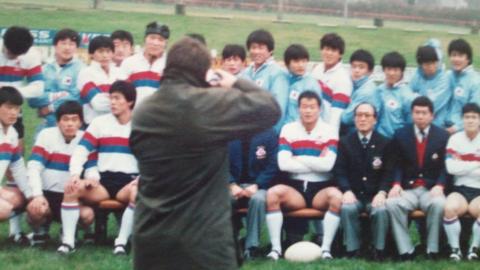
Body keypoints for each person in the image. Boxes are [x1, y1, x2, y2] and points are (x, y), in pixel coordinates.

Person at [130, 37, 280, 270]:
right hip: (204, 242)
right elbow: (269, 108)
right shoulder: (208, 105)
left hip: (152, 237)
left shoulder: (143, 110)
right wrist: (230, 79)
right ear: (203, 71)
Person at [58, 80, 138, 255]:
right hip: (102, 182)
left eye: (117, 98)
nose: (112, 102)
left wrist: (141, 178)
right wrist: (75, 175)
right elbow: (81, 151)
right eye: (111, 98)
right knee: (71, 189)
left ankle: (121, 242)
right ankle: (68, 243)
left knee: (137, 193)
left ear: (130, 101)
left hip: (128, 182)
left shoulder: (141, 124)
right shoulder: (99, 123)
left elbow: (151, 158)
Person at [265, 91, 342, 260]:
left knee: (336, 197)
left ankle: (325, 250)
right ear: (298, 109)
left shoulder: (330, 131)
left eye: (312, 107)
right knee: (272, 194)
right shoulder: (288, 129)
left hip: (320, 188)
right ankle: (276, 249)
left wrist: (298, 157)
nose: (308, 111)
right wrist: (315, 160)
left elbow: (328, 165)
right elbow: (283, 164)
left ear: (319, 109)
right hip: (295, 188)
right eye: (304, 107)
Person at [386, 96, 448, 260]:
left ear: (432, 115)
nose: (420, 116)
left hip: (431, 189)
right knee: (392, 203)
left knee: (439, 203)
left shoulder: (442, 136)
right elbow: (396, 164)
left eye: (424, 113)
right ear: (412, 114)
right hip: (409, 189)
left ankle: (432, 250)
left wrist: (440, 185)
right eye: (416, 112)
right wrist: (397, 184)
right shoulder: (401, 134)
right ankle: (406, 250)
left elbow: (445, 166)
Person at [26, 101, 95, 246]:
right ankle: (40, 230)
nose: (70, 124)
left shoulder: (87, 139)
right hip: (48, 194)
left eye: (74, 119)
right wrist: (38, 195)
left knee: (88, 215)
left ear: (81, 122)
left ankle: (69, 229)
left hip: (72, 196)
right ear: (57, 122)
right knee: (35, 209)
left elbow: (91, 168)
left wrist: (90, 178)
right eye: (65, 119)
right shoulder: (46, 135)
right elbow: (33, 166)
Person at [336, 103, 391, 259]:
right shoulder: (345, 142)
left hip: (375, 194)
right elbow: (339, 171)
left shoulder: (385, 143)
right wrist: (346, 190)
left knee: (380, 210)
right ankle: (353, 249)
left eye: (367, 115)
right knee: (347, 208)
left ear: (375, 120)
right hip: (354, 194)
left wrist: (382, 192)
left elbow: (388, 173)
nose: (363, 119)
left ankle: (378, 250)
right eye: (359, 115)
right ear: (354, 119)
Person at [229, 127, 278, 260]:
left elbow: (273, 165)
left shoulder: (269, 134)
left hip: (259, 185)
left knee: (258, 200)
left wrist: (257, 184)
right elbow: (219, 163)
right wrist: (231, 184)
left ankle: (251, 247)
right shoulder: (228, 132)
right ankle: (232, 242)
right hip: (233, 185)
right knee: (225, 200)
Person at [443, 103, 480, 261]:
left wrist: (463, 163)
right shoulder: (455, 139)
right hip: (459, 190)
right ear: (462, 119)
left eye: (474, 117)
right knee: (449, 208)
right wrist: (477, 163)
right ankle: (455, 250)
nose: (470, 120)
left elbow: (458, 166)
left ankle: (474, 249)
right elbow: (451, 168)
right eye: (467, 117)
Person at [28, 29, 84, 133]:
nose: (67, 48)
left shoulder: (82, 69)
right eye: (63, 43)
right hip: (47, 126)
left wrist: (50, 107)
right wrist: (54, 96)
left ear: (76, 47)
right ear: (55, 45)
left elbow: (75, 97)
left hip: (72, 129)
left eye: (71, 44)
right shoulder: (44, 69)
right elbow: (33, 99)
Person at [0, 26, 44, 142]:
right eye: (9, 52)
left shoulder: (31, 55)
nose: (12, 57)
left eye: (16, 55)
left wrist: (9, 92)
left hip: (13, 108)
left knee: (17, 148)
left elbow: (38, 87)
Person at [241, 29, 289, 133]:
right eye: (253, 47)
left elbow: (279, 108)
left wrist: (271, 134)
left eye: (261, 48)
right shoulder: (245, 72)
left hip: (266, 133)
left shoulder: (277, 73)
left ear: (270, 50)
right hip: (244, 131)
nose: (257, 51)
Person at [0, 86, 31, 242]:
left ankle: (16, 233)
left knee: (21, 197)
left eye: (17, 108)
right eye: (9, 107)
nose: (14, 113)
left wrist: (32, 196)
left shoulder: (12, 133)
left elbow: (18, 168)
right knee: (4, 208)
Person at [78, 35, 126, 125]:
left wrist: (107, 97)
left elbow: (130, 98)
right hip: (94, 126)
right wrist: (121, 102)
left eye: (108, 51)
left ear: (113, 53)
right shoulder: (85, 74)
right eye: (100, 51)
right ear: (91, 54)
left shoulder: (120, 72)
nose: (105, 55)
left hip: (117, 125)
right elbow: (98, 104)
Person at [121, 21, 169, 106]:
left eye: (160, 39)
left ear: (166, 43)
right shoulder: (129, 62)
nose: (155, 43)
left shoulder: (170, 65)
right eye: (152, 38)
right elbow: (121, 93)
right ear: (145, 39)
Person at [311, 33, 352, 131]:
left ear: (340, 54)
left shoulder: (343, 79)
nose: (329, 53)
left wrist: (330, 138)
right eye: (326, 49)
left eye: (333, 50)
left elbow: (336, 115)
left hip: (325, 130)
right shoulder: (316, 69)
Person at [409, 39, 451, 129]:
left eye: (434, 63)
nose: (431, 67)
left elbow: (431, 105)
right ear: (421, 64)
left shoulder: (444, 79)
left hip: (436, 126)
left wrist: (416, 96)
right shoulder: (417, 75)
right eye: (427, 64)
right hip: (415, 125)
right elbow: (407, 96)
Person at [376, 51, 417, 138]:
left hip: (397, 141)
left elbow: (410, 124)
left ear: (402, 71)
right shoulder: (378, 90)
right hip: (378, 140)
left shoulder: (407, 95)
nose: (391, 73)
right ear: (384, 70)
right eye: (389, 69)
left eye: (395, 70)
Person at [445, 39, 480, 134]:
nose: (456, 59)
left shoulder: (475, 81)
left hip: (463, 130)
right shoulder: (447, 76)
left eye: (460, 56)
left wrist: (456, 128)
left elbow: (475, 111)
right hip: (443, 126)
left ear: (468, 59)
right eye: (453, 55)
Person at [341, 49, 378, 134]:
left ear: (370, 71)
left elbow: (346, 118)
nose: (356, 70)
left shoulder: (366, 92)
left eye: (361, 67)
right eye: (354, 66)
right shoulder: (354, 85)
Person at [283, 43, 321, 124]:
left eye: (304, 61)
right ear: (287, 64)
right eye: (296, 61)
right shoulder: (283, 78)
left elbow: (318, 112)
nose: (301, 65)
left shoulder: (311, 84)